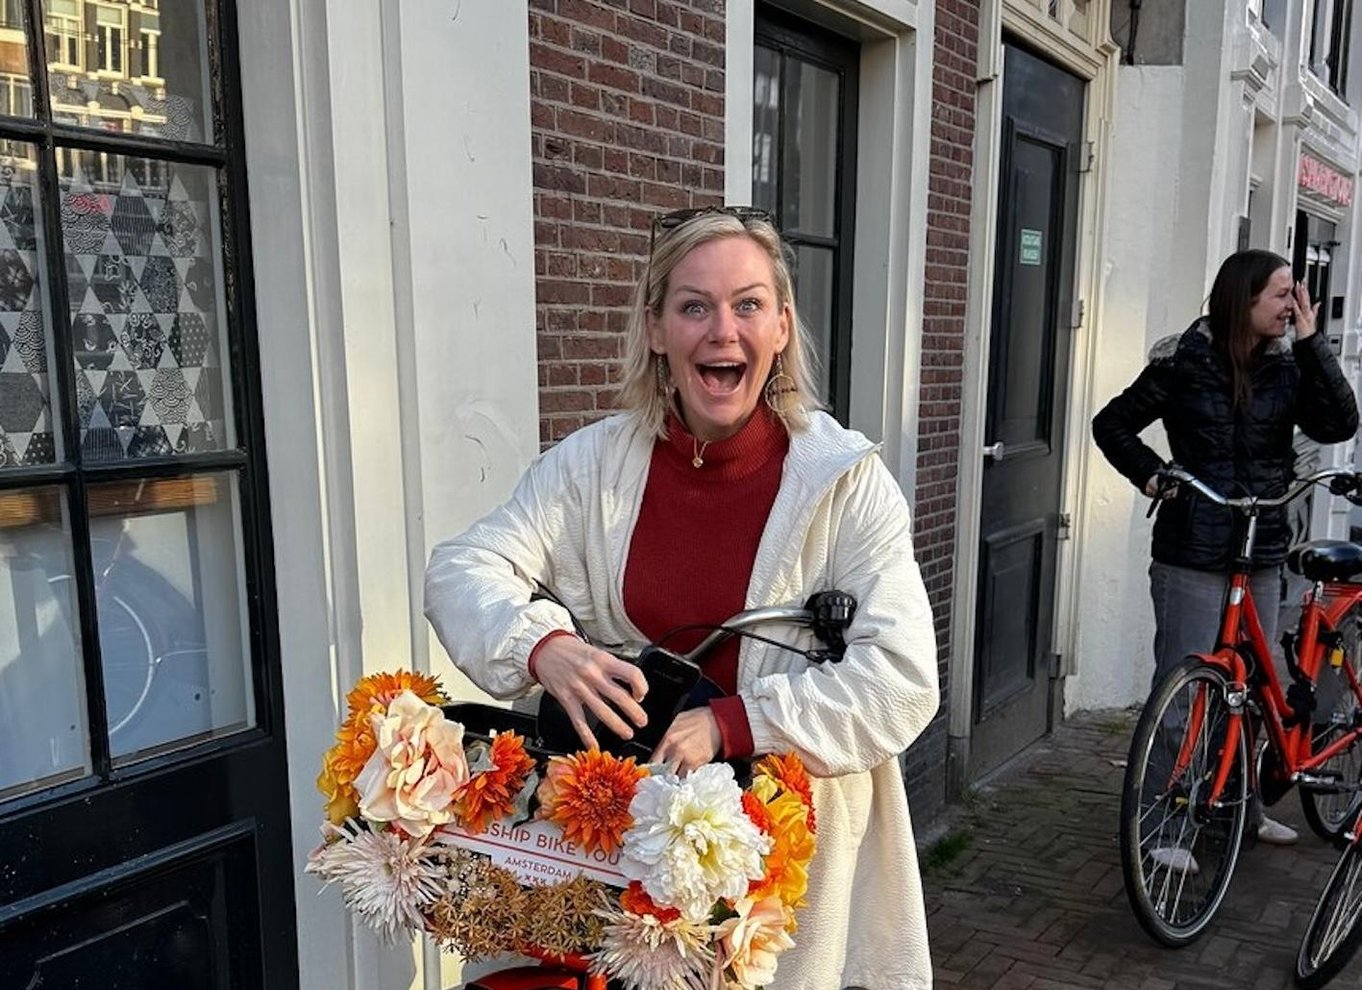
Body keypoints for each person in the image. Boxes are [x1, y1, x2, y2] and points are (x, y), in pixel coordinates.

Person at [424, 205, 940, 990]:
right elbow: (462, 568)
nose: (722, 330)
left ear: (781, 327)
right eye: (694, 306)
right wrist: (544, 647)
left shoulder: (846, 485)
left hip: (784, 872)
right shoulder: (590, 468)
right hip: (617, 853)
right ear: (657, 330)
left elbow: (901, 679)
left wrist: (734, 723)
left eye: (748, 304)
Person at [1092, 248, 1359, 857]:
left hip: (1260, 545)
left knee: (1254, 689)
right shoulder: (1183, 361)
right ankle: (1160, 827)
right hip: (1193, 547)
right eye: (1282, 295)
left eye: (1295, 295)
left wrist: (1314, 344)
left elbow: (1340, 424)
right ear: (1245, 298)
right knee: (1184, 690)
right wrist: (1153, 475)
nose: (1292, 306)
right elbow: (1112, 424)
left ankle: (1240, 809)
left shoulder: (1289, 365)